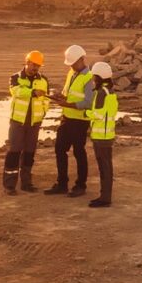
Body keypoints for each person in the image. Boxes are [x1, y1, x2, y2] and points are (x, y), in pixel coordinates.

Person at [44, 45, 93, 198]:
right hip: (67, 118)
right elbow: (70, 94)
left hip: (80, 121)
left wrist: (67, 104)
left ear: (82, 59)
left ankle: (80, 185)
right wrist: (61, 97)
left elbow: (88, 102)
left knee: (79, 152)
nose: (71, 66)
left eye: (73, 63)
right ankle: (62, 184)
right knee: (60, 149)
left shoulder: (89, 77)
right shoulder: (71, 73)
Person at [3, 51, 50, 195]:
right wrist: (32, 92)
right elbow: (16, 92)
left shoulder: (43, 80)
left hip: (34, 123)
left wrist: (43, 113)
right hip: (18, 121)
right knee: (14, 152)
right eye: (33, 64)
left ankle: (26, 183)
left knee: (29, 153)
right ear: (27, 62)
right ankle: (9, 185)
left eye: (38, 66)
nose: (35, 68)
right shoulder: (15, 78)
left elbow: (46, 100)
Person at [86, 61, 118, 208]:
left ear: (98, 77)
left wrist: (86, 113)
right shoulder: (110, 92)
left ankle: (105, 198)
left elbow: (98, 115)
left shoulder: (101, 93)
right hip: (107, 135)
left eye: (94, 76)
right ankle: (105, 196)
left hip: (101, 137)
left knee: (104, 168)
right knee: (107, 167)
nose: (93, 78)